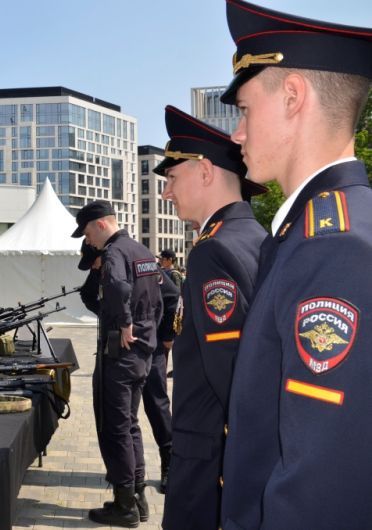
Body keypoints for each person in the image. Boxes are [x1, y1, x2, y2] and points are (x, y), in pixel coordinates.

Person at [217, 2, 372, 528]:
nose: (236, 133)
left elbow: (319, 488)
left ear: (291, 96)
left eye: (242, 109)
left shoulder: (334, 248)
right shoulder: (319, 230)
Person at [154, 105, 267, 530]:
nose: (167, 193)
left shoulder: (212, 252)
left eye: (171, 178)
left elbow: (232, 376)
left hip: (209, 464)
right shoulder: (256, 237)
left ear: (204, 172)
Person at [72, 200, 162, 528]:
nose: (88, 241)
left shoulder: (113, 253)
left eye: (86, 232)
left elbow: (116, 286)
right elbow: (158, 300)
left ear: (100, 224)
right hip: (142, 352)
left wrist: (123, 322)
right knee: (131, 426)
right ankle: (138, 499)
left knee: (116, 428)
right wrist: (144, 331)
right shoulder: (142, 251)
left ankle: (125, 506)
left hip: (120, 353)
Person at [142, 265, 179, 496]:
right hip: (119, 346)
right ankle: (129, 473)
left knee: (157, 403)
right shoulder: (103, 260)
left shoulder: (142, 261)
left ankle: (170, 462)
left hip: (151, 345)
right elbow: (87, 294)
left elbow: (172, 295)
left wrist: (166, 335)